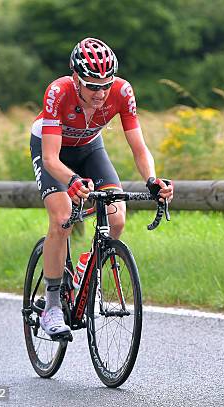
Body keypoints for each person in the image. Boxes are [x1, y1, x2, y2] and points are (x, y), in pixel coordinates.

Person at [30, 37, 173, 338]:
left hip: (90, 147)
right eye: (92, 85)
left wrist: (152, 179)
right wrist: (72, 182)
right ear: (75, 79)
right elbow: (52, 159)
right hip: (53, 151)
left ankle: (85, 270)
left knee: (118, 216)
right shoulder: (59, 92)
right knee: (61, 217)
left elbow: (138, 146)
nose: (100, 92)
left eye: (105, 84)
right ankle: (52, 305)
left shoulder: (122, 92)